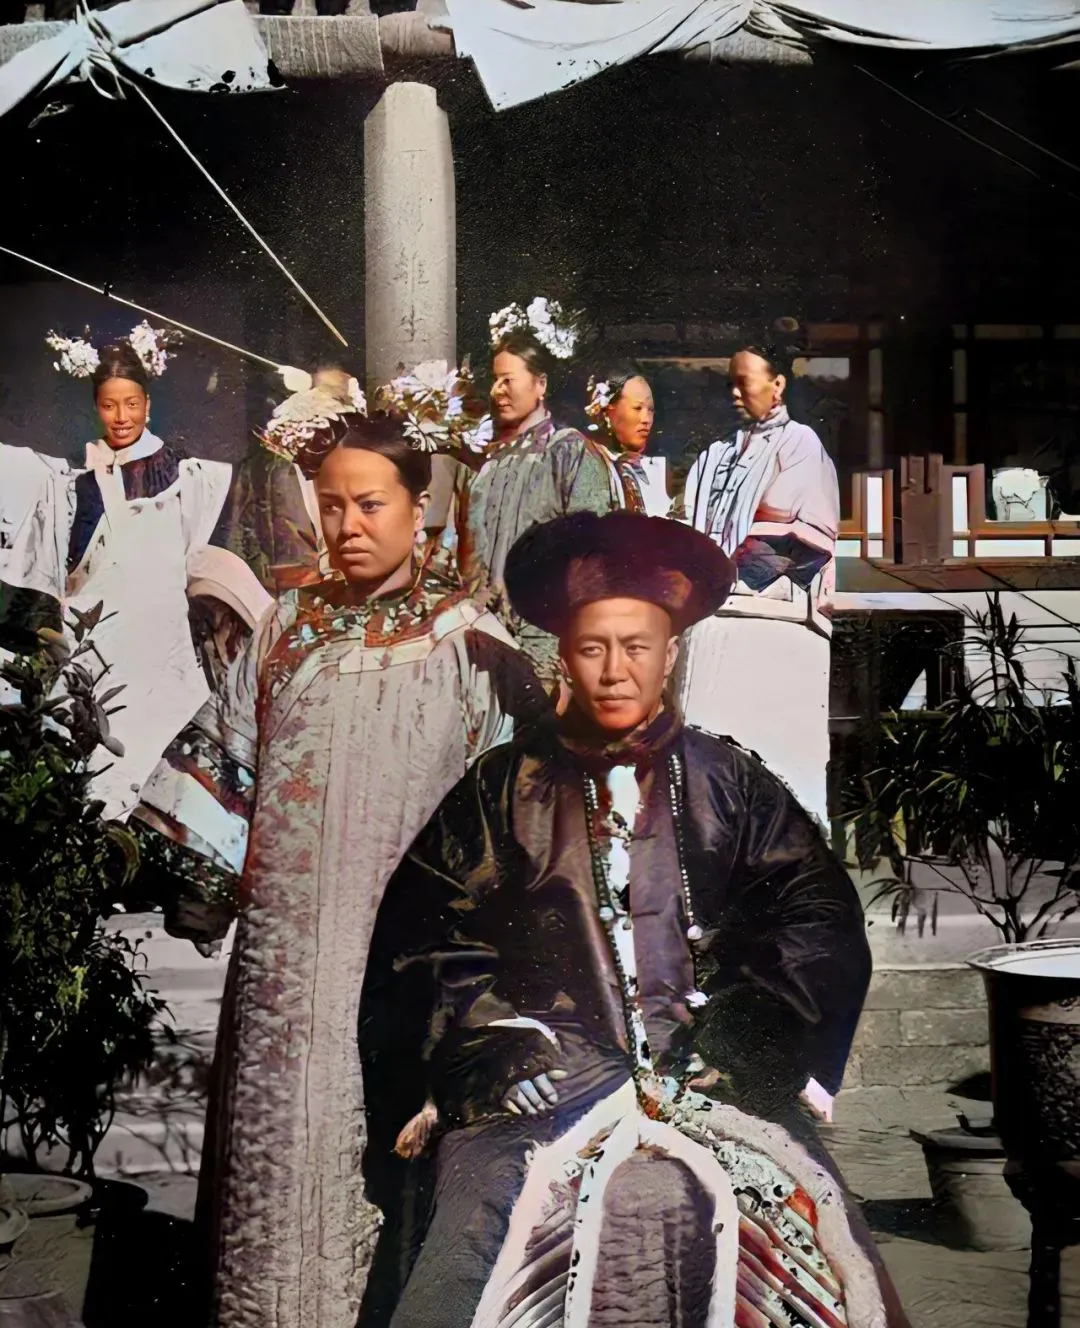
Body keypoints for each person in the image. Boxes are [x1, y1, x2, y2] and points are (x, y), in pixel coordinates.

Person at [359, 511, 907, 1328]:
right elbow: (428, 931)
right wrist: (492, 1039)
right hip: (547, 1071)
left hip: (707, 1063)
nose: (615, 671)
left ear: (670, 655)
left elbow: (812, 912)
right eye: (593, 648)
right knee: (477, 1235)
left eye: (637, 647)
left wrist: (755, 1026)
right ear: (564, 657)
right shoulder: (502, 788)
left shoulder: (728, 781)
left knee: (808, 1227)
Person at [171, 400, 548, 1328]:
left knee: (394, 1175)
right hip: (284, 973)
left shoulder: (473, 643)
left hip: (413, 965)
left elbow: (516, 813)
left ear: (420, 506)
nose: (348, 526)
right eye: (332, 505)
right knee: (278, 1166)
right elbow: (227, 761)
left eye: (371, 504)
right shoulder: (286, 627)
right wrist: (188, 880)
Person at [0, 326, 262, 822]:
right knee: (89, 767)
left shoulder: (186, 474)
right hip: (97, 637)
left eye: (131, 404)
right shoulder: (77, 479)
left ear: (148, 404)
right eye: (109, 405)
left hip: (163, 641)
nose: (121, 417)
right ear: (95, 407)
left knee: (163, 764)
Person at [678, 340, 839, 827]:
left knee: (776, 766)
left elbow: (797, 544)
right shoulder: (713, 455)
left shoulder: (801, 445)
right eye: (728, 383)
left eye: (743, 382)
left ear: (778, 384)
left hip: (774, 627)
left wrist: (725, 575)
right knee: (707, 760)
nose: (733, 393)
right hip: (711, 627)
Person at [454, 299, 616, 687]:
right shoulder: (486, 462)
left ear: (540, 384)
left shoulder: (569, 452)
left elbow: (591, 555)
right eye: (495, 380)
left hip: (545, 637)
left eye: (508, 380)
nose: (498, 391)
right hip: (482, 634)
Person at [585, 365, 670, 516]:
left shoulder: (655, 469)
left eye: (650, 410)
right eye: (637, 408)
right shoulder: (586, 465)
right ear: (607, 412)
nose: (646, 419)